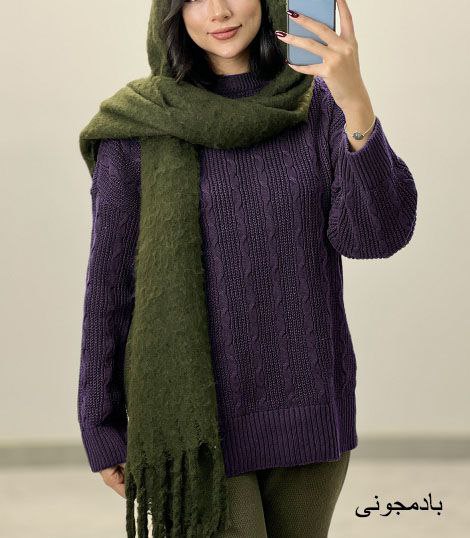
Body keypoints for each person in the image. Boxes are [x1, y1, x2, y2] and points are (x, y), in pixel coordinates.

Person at [77, 0, 418, 536]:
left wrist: (355, 100)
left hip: (309, 416)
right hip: (192, 428)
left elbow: (374, 236)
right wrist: (100, 422)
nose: (218, 11)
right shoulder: (138, 126)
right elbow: (109, 288)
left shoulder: (317, 107)